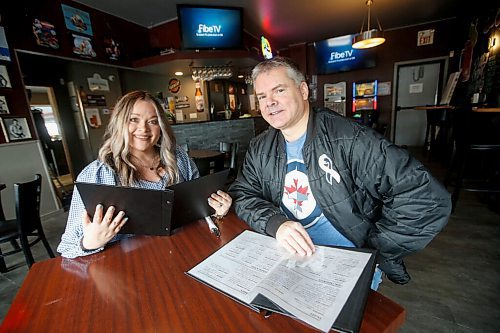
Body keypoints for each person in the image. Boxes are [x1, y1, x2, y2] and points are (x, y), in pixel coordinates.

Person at [228, 57, 451, 287]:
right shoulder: (259, 147)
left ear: (303, 90)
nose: (270, 103)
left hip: (346, 262)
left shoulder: (348, 138)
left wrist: (375, 251)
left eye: (279, 90)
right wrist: (276, 224)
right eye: (262, 96)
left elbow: (427, 199)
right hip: (288, 257)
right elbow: (243, 195)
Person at [58, 90, 232, 258]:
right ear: (119, 123)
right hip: (131, 268)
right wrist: (89, 242)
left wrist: (216, 209)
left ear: (161, 127)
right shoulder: (98, 174)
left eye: (153, 121)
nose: (144, 128)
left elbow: (200, 210)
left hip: (183, 253)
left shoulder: (178, 159)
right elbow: (67, 247)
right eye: (133, 119)